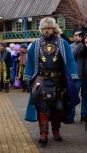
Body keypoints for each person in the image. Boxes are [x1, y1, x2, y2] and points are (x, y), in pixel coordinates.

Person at [24, 17, 79, 146]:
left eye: (49, 28)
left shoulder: (62, 43)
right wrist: (27, 78)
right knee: (42, 106)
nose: (46, 31)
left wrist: (73, 76)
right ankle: (43, 134)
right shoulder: (36, 44)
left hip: (58, 80)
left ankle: (56, 131)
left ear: (54, 29)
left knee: (58, 107)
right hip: (41, 79)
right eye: (44, 28)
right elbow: (30, 61)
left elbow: (70, 60)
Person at [70, 28, 87, 123]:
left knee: (86, 96)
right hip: (76, 75)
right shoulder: (71, 46)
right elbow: (72, 55)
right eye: (76, 35)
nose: (78, 37)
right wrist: (80, 45)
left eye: (80, 35)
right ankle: (70, 115)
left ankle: (85, 115)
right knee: (73, 96)